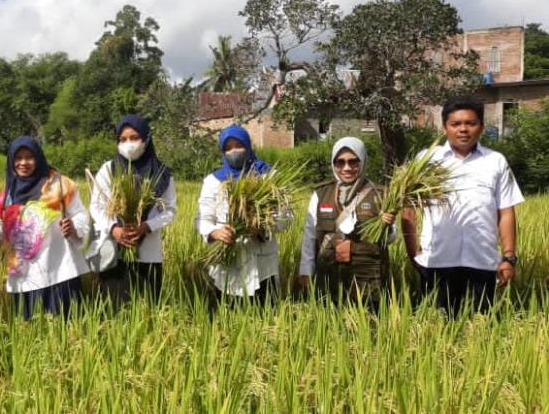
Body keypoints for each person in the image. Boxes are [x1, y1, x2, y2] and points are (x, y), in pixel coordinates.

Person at [401, 96, 524, 316]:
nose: (463, 129)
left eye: (471, 123)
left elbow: (506, 212)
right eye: (455, 124)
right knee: (437, 328)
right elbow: (408, 209)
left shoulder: (495, 161)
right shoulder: (426, 160)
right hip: (437, 262)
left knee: (482, 327)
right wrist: (413, 254)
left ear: (481, 127)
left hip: (483, 262)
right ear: (444, 127)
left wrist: (508, 257)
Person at [0, 137, 89, 320]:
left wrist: (73, 226)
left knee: (65, 325)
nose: (23, 163)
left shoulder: (60, 185)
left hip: (60, 272)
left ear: (38, 158)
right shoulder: (6, 196)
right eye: (18, 157)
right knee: (29, 329)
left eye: (29, 157)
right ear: (11, 161)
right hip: (24, 278)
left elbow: (81, 215)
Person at [195, 125, 291, 302]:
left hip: (263, 266)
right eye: (228, 148)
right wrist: (215, 232)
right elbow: (203, 218)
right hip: (228, 264)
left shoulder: (268, 177)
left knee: (266, 312)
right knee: (228, 312)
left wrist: (263, 228)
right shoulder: (213, 181)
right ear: (223, 152)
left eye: (239, 145)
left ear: (248, 145)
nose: (234, 151)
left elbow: (286, 217)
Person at [297, 137, 396, 308]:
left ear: (363, 161)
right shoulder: (321, 193)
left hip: (368, 278)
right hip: (329, 275)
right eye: (340, 162)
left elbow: (392, 238)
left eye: (353, 161)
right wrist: (306, 270)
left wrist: (387, 226)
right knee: (328, 320)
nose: (347, 168)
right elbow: (309, 236)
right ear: (333, 164)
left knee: (368, 322)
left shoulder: (380, 194)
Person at [87, 114, 175, 305]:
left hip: (148, 254)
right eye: (123, 139)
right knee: (114, 307)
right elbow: (96, 206)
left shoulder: (161, 173)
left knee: (149, 307)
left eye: (134, 138)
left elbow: (169, 211)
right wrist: (114, 229)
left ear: (146, 138)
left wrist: (146, 226)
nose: (128, 144)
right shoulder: (109, 169)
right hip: (114, 253)